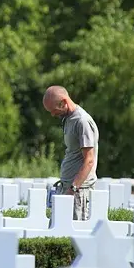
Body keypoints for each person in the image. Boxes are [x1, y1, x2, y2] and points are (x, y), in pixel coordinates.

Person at [43, 85, 99, 221]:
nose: (53, 114)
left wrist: (73, 189)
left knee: (73, 238)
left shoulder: (82, 121)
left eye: (54, 110)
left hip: (78, 192)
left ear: (64, 102)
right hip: (68, 187)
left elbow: (89, 160)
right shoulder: (68, 119)